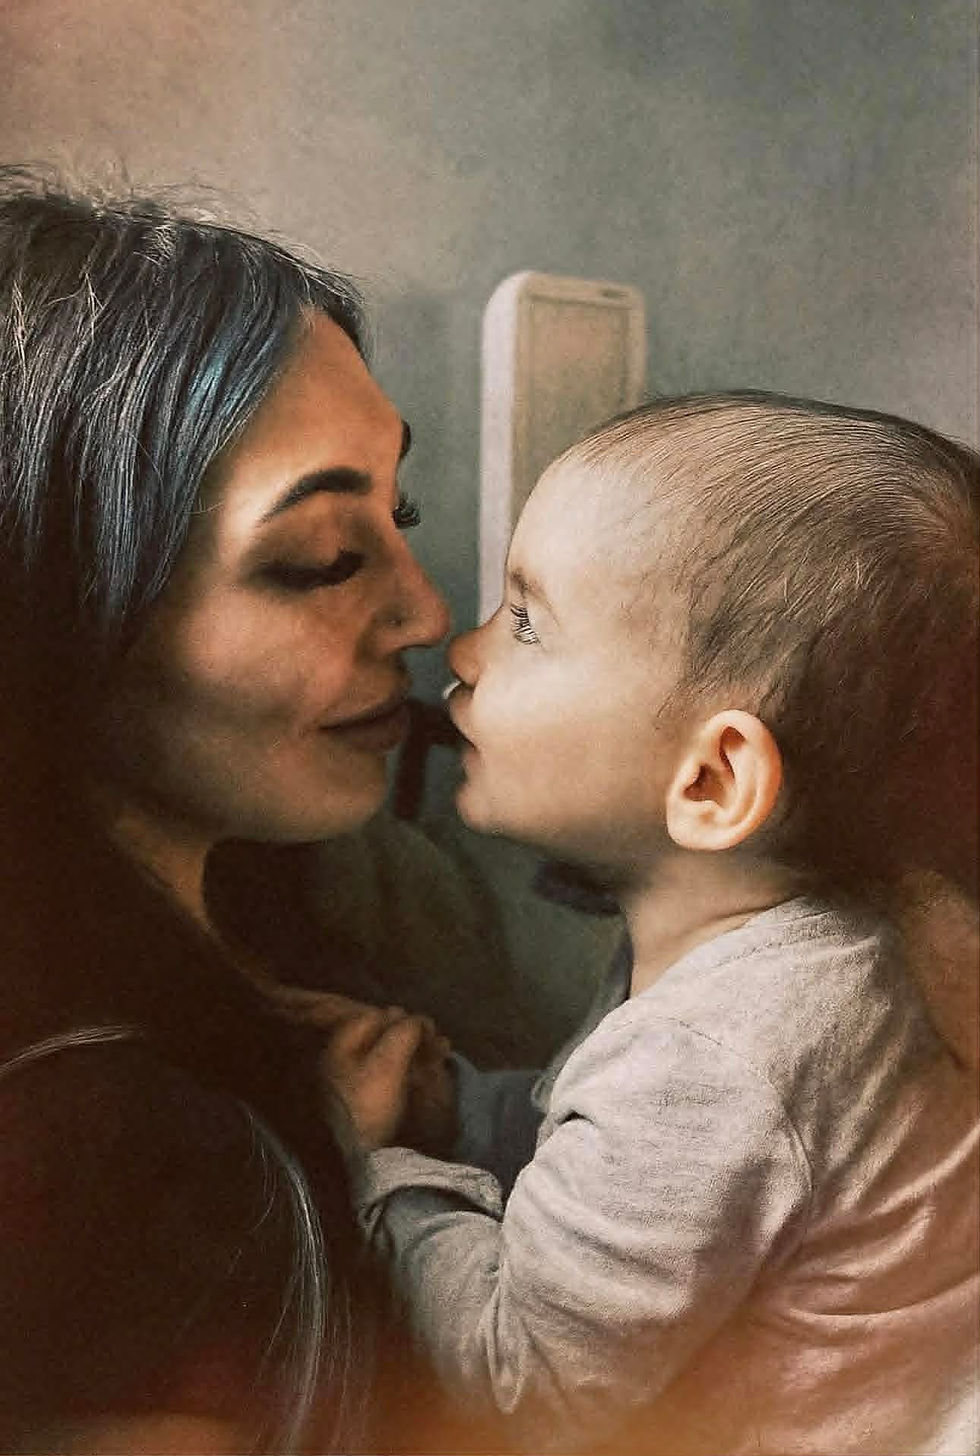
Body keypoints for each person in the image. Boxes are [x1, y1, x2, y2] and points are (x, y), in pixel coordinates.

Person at [333, 392, 980, 1455]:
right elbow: (632, 1167)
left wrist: (376, 1162)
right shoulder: (822, 952)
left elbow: (515, 1387)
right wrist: (462, 1111)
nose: (460, 644)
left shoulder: (716, 1053)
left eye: (526, 619)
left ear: (714, 777)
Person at [0, 167, 475, 1452]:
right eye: (322, 556)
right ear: (53, 608)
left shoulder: (339, 912)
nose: (430, 615)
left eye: (402, 515)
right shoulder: (94, 1159)